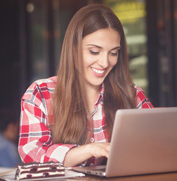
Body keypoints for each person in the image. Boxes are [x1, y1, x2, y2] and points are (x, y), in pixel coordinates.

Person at [18, 4, 154, 167]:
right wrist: (88, 150)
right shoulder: (40, 94)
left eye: (113, 53)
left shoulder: (133, 95)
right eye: (94, 51)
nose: (104, 63)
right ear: (74, 48)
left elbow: (155, 148)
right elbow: (32, 156)